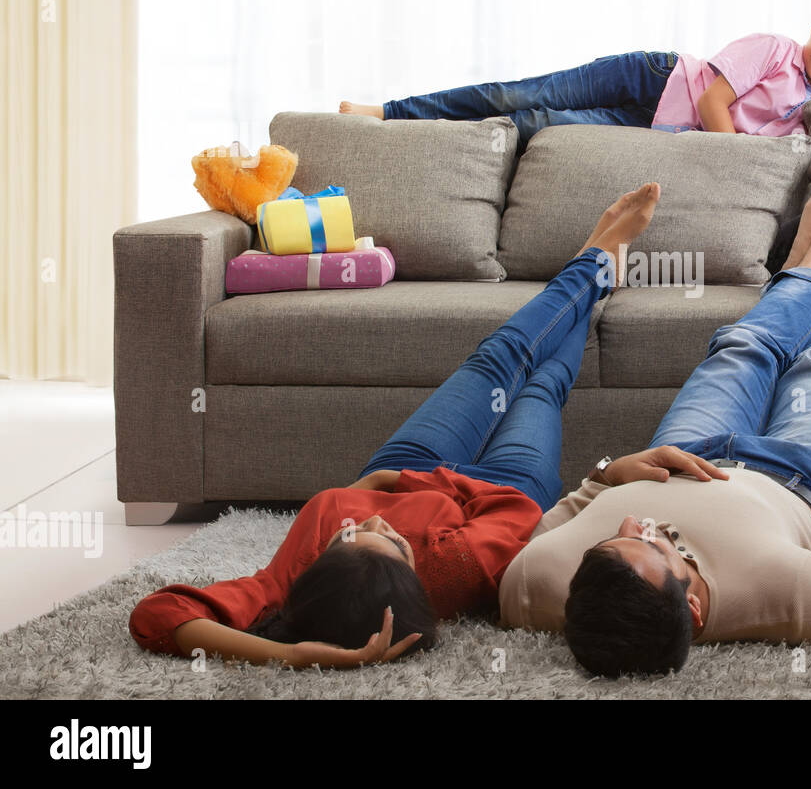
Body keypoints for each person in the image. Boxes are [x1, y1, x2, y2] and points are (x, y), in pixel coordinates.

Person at [128, 183, 713, 670]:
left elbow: (156, 615)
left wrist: (293, 654)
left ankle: (591, 263)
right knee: (545, 383)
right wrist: (430, 490)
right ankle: (597, 266)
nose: (375, 521)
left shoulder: (286, 582)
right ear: (414, 570)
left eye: (355, 534)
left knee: (500, 357)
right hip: (505, 483)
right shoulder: (457, 570)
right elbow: (516, 516)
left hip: (407, 462)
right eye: (397, 542)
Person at [498, 154, 811, 677]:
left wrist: (606, 475)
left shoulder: (534, 587)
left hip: (686, 451)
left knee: (742, 346)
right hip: (799, 475)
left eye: (613, 539)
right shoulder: (787, 595)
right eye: (655, 546)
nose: (636, 523)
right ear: (692, 609)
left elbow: (553, 524)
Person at [339, 0, 811, 149]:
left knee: (535, 122)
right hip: (654, 80)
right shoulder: (774, 49)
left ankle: (426, 133)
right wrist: (743, 157)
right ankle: (390, 112)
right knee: (518, 92)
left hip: (654, 125)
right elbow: (715, 101)